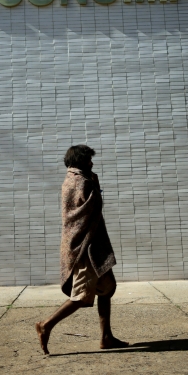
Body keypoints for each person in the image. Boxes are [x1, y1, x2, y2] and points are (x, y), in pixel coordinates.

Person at [35, 145, 129, 355]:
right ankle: (46, 325)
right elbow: (88, 209)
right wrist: (96, 186)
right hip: (85, 248)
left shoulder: (72, 179)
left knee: (107, 288)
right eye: (88, 160)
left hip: (91, 246)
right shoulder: (81, 181)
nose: (92, 163)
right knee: (81, 295)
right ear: (80, 161)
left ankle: (106, 337)